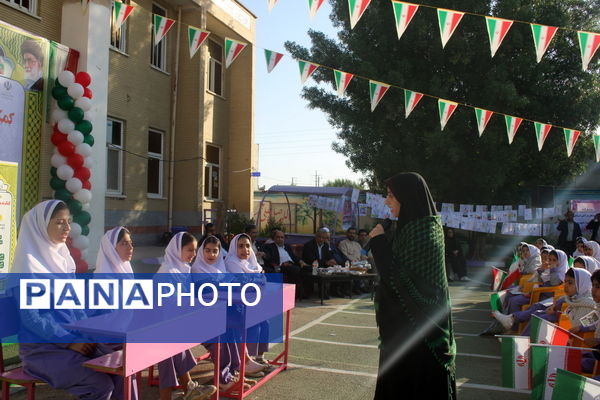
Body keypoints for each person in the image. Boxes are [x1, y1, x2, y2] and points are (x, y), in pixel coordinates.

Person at [12, 200, 137, 400]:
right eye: (59, 222)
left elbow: (76, 308)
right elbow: (32, 319)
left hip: (74, 341)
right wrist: (69, 341)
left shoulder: (62, 261)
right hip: (42, 350)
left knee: (123, 371)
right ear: (41, 227)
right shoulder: (27, 267)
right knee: (99, 384)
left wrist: (88, 333)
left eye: (68, 221)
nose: (67, 228)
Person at [368, 172, 456, 399]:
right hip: (405, 328)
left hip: (421, 334)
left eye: (391, 196)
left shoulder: (423, 232)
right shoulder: (412, 227)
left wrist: (378, 242)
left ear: (407, 198)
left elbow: (398, 278)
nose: (387, 201)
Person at [190, 235, 255, 392]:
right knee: (222, 338)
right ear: (201, 251)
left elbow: (230, 282)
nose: (211, 255)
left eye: (215, 251)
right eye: (207, 251)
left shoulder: (220, 268)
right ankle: (223, 379)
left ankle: (233, 372)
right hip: (200, 320)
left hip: (217, 317)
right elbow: (211, 290)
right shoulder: (198, 268)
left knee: (232, 332)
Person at [225, 234, 272, 372]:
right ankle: (247, 362)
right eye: (240, 246)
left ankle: (258, 357)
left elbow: (262, 279)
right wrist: (256, 279)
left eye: (247, 246)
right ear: (234, 248)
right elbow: (245, 283)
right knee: (254, 324)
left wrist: (256, 280)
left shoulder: (252, 262)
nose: (245, 249)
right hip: (234, 305)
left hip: (249, 301)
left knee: (265, 322)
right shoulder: (232, 261)